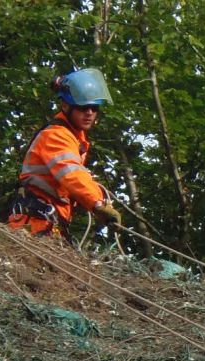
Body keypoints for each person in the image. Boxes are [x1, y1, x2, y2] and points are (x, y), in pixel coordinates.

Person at [8, 69, 122, 236]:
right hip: (34, 224)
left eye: (94, 107)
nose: (89, 113)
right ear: (66, 106)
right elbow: (72, 174)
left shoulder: (74, 139)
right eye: (83, 107)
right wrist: (98, 204)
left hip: (48, 223)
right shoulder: (56, 135)